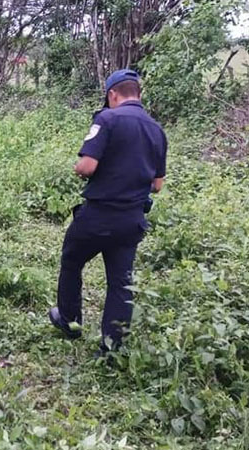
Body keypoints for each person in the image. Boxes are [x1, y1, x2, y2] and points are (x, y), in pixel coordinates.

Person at [48, 69, 167, 355]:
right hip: (132, 219)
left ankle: (69, 320)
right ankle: (112, 347)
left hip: (99, 215)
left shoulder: (108, 118)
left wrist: (79, 169)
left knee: (72, 260)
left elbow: (87, 166)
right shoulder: (156, 130)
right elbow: (158, 185)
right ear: (138, 93)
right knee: (121, 282)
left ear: (112, 94)